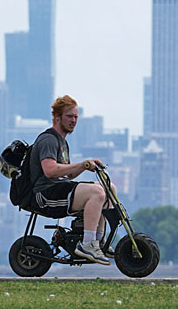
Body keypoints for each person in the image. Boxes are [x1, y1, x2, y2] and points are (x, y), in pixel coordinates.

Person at [27, 94, 115, 265]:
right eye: (69, 116)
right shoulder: (48, 139)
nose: (74, 120)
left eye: (76, 117)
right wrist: (82, 163)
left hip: (59, 188)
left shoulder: (62, 143)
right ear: (57, 117)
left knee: (108, 187)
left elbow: (68, 174)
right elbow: (50, 170)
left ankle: (99, 241)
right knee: (96, 192)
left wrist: (85, 166)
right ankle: (87, 244)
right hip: (45, 194)